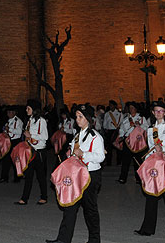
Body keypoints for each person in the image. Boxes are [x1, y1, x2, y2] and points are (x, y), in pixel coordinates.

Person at [47, 104, 105, 243]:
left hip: (90, 176)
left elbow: (100, 157)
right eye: (77, 116)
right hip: (76, 175)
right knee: (70, 207)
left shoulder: (95, 136)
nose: (77, 119)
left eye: (81, 117)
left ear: (89, 119)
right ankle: (63, 239)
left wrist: (84, 154)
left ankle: (94, 239)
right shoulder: (78, 135)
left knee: (90, 210)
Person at [134, 101, 165, 236]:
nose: (158, 113)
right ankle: (147, 229)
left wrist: (164, 149)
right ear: (153, 113)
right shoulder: (150, 129)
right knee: (151, 195)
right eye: (156, 111)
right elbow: (151, 148)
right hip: (154, 164)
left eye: (161, 111)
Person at [15, 99, 48, 206]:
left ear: (34, 110)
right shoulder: (29, 120)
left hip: (39, 152)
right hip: (30, 150)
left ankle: (44, 196)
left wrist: (31, 136)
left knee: (40, 176)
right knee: (28, 175)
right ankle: (24, 198)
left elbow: (45, 137)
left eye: (28, 108)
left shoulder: (41, 121)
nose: (26, 110)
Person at [117, 102, 148, 184]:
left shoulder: (141, 118)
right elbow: (122, 128)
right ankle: (123, 178)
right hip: (127, 141)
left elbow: (147, 128)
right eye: (129, 108)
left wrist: (140, 125)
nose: (131, 109)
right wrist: (120, 135)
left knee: (138, 161)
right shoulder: (126, 118)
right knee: (125, 161)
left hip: (138, 142)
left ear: (136, 108)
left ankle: (139, 178)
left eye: (132, 108)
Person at [0, 105, 23, 183]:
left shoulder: (18, 121)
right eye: (8, 112)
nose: (9, 113)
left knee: (15, 160)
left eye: (11, 112)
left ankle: (17, 178)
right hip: (8, 141)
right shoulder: (8, 120)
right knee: (5, 160)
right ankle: (4, 177)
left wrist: (9, 129)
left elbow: (19, 132)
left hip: (15, 142)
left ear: (15, 113)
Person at [102, 101, 122, 167]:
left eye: (111, 105)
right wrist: (105, 129)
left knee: (117, 147)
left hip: (116, 131)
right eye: (109, 105)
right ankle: (109, 162)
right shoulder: (107, 114)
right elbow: (105, 123)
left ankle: (119, 162)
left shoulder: (119, 113)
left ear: (115, 106)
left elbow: (121, 122)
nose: (110, 107)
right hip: (109, 132)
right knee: (109, 148)